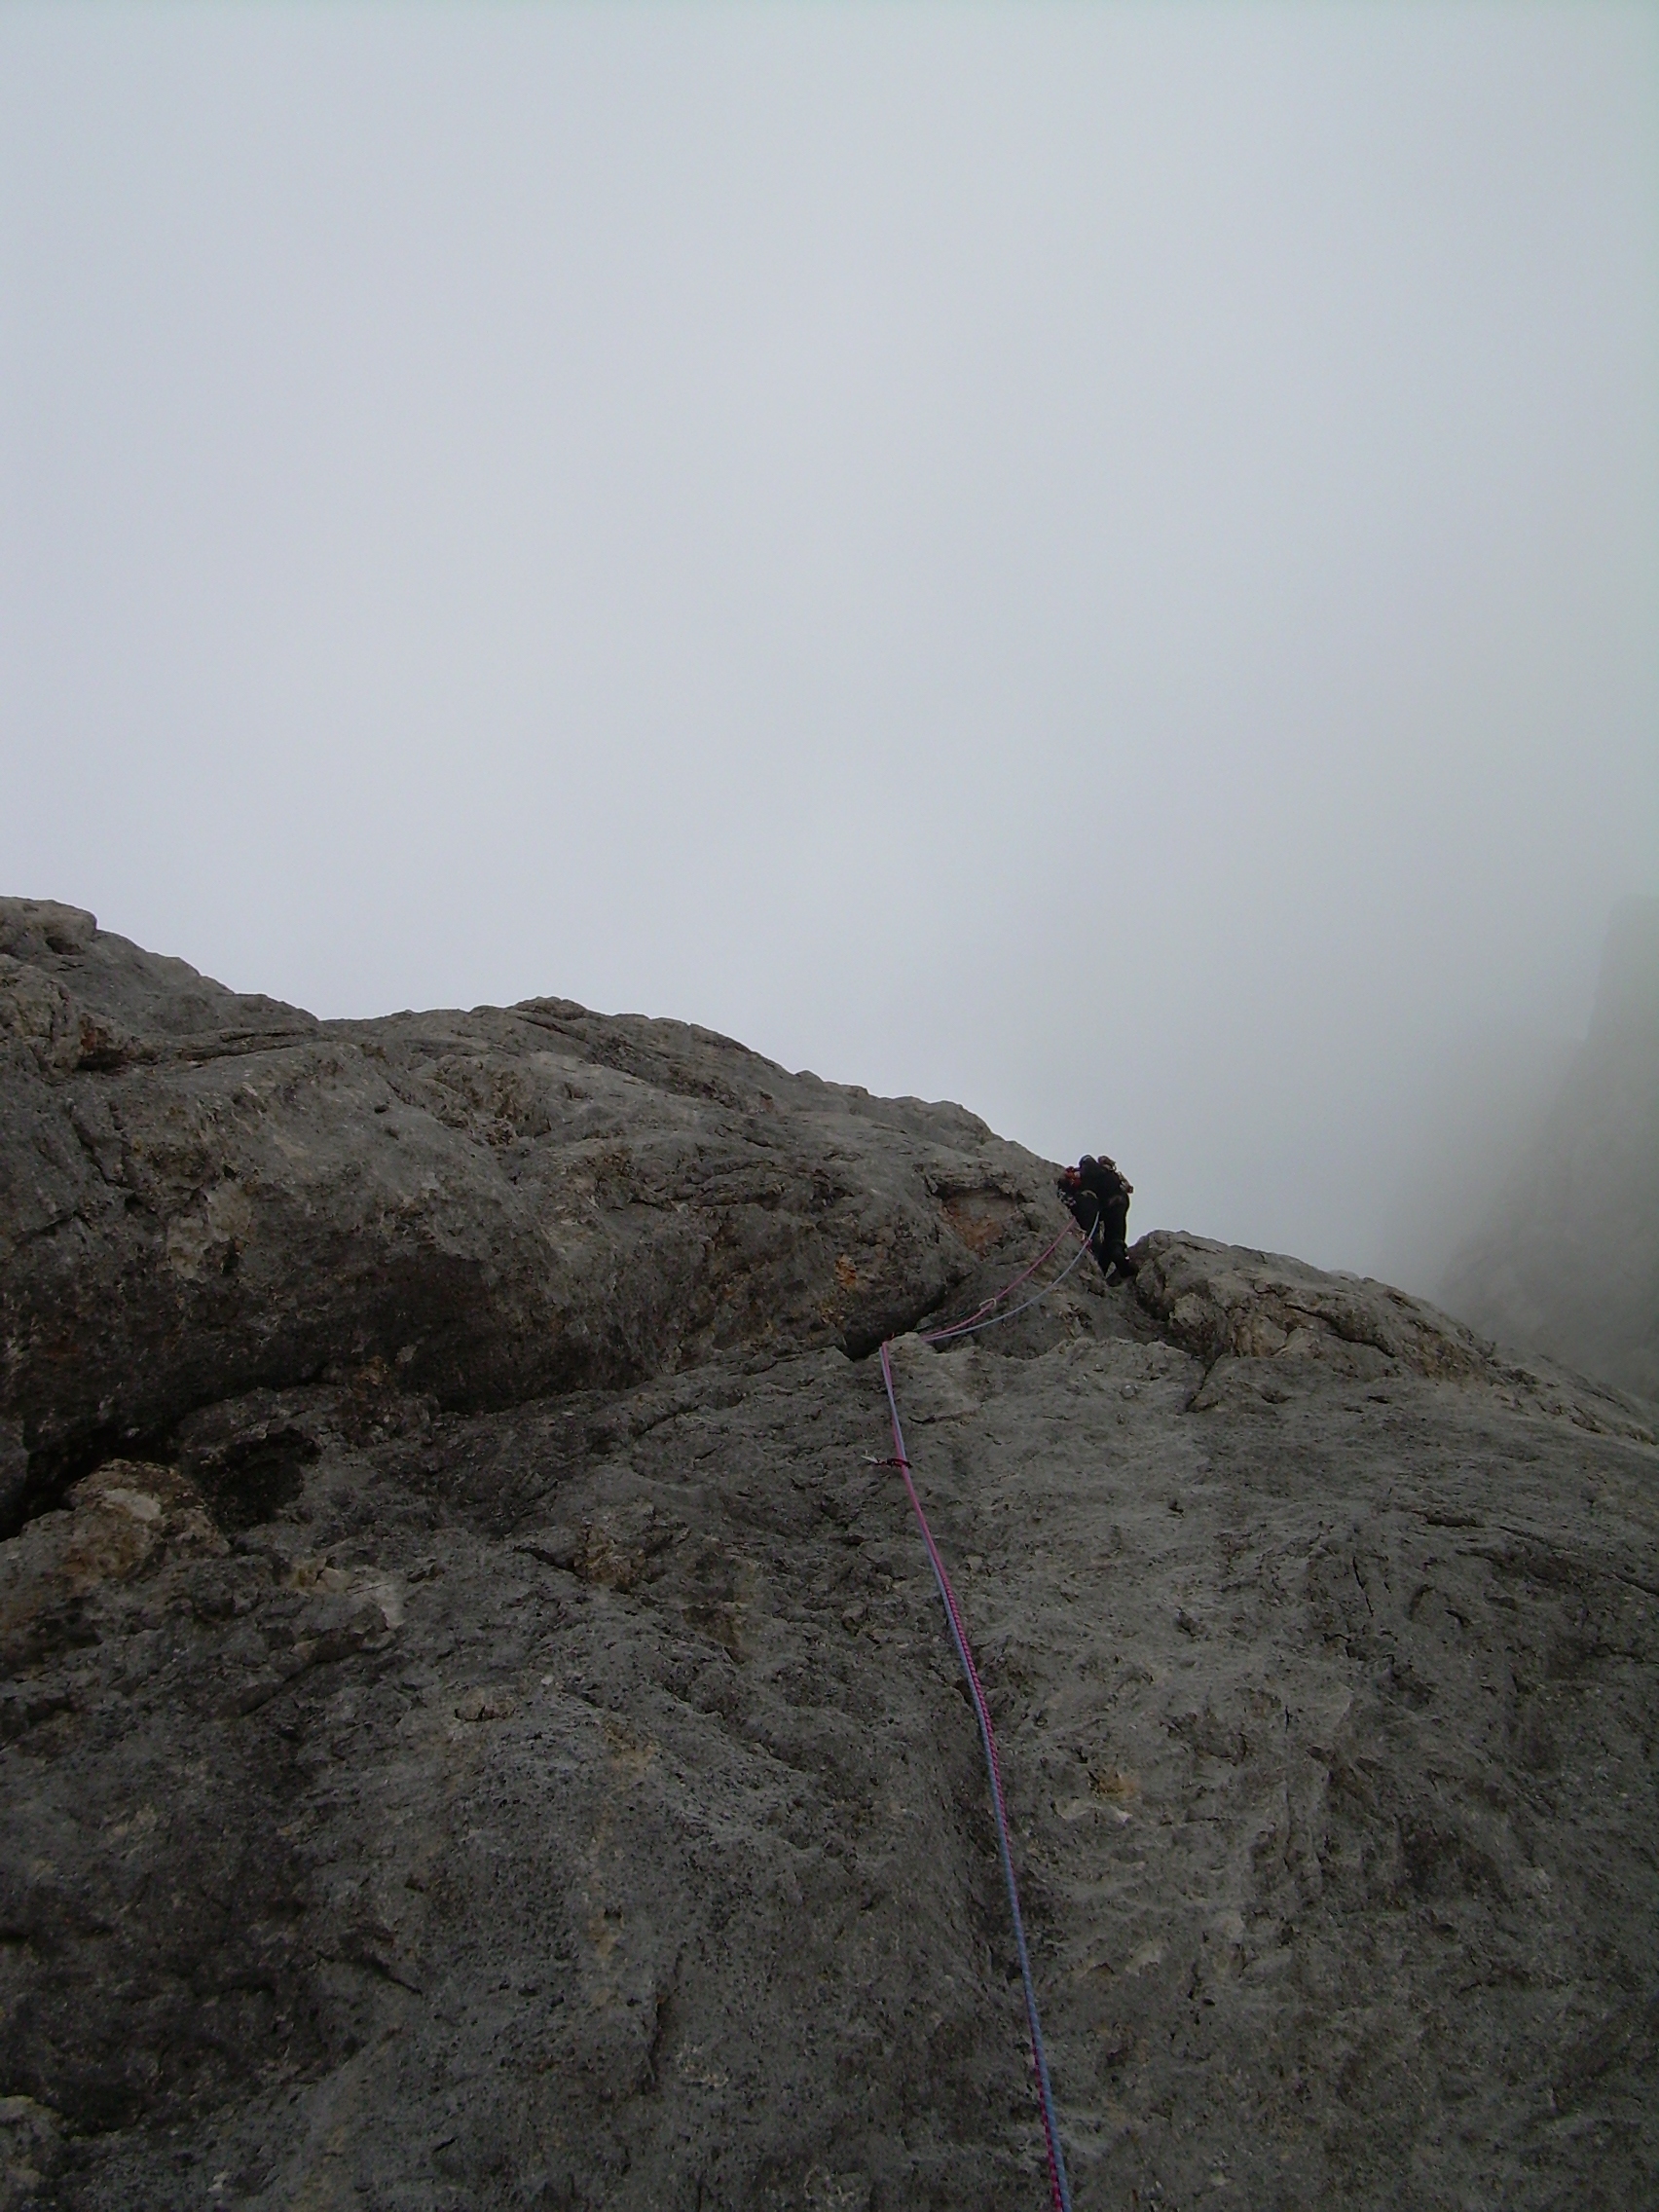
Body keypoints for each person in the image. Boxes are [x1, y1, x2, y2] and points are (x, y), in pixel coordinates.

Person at [1057, 1155, 1135, 1281]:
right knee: (1115, 1234)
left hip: (1100, 1204)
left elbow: (1070, 1181)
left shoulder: (1087, 1171)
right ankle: (1116, 1255)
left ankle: (1101, 1265)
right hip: (1120, 1201)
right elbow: (1129, 1189)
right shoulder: (1113, 1175)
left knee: (1096, 1233)